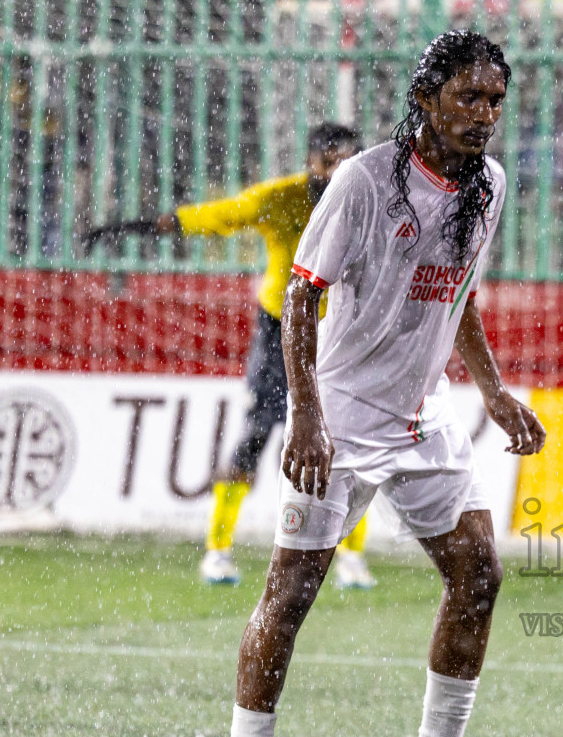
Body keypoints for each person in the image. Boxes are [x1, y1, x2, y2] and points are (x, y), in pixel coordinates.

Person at [205, 31, 546, 737]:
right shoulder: (361, 183)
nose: (485, 114)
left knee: (479, 574)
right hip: (342, 418)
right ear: (427, 98)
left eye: (495, 100)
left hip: (421, 416)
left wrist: (493, 392)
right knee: (290, 594)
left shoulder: (487, 185)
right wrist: (308, 417)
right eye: (469, 96)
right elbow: (299, 298)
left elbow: (458, 293)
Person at [84, 123, 379, 591]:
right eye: (331, 159)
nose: (340, 168)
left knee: (349, 444)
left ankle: (351, 556)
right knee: (259, 431)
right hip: (281, 330)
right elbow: (211, 217)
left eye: (349, 158)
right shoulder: (279, 198)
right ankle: (218, 550)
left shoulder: (369, 202)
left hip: (338, 335)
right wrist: (127, 228)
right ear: (312, 162)